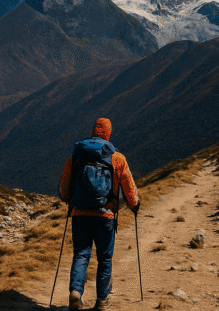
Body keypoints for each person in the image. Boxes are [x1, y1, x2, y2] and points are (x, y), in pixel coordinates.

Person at [59, 118, 141, 310]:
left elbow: (64, 189)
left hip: (79, 214)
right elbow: (129, 188)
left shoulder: (75, 157)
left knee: (81, 254)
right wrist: (134, 205)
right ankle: (102, 301)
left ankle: (76, 292)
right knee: (104, 258)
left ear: (93, 131)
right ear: (108, 133)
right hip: (105, 215)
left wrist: (68, 200)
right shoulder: (117, 158)